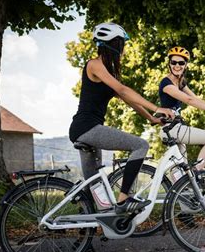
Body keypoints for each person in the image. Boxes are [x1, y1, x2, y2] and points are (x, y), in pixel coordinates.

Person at [69, 22, 174, 214]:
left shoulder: (107, 72)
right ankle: (124, 199)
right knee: (140, 145)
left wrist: (151, 117)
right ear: (114, 44)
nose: (123, 51)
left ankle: (85, 237)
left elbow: (127, 98)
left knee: (94, 187)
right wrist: (158, 107)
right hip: (87, 128)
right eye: (122, 46)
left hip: (87, 129)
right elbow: (123, 89)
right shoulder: (94, 65)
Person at [158, 46, 205, 177]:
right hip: (172, 129)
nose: (177, 66)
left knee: (179, 171)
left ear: (186, 65)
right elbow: (189, 100)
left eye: (181, 63)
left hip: (176, 128)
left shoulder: (180, 83)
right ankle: (195, 174)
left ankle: (180, 192)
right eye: (174, 62)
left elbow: (196, 99)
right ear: (169, 64)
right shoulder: (166, 84)